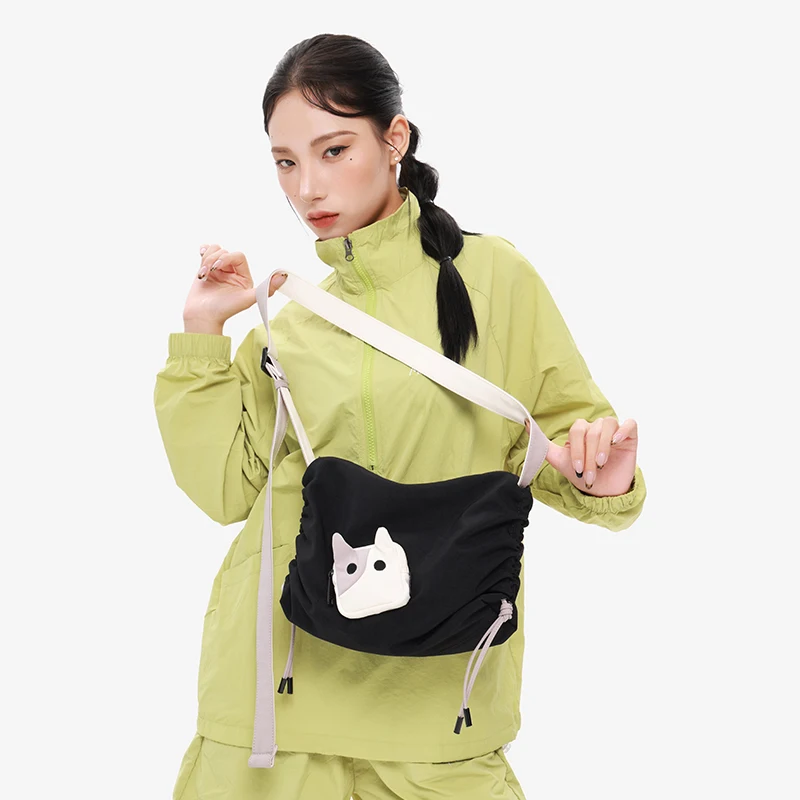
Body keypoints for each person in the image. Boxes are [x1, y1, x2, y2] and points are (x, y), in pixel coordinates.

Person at [154, 32, 647, 800]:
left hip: (442, 711)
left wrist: (601, 478)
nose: (307, 187)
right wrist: (202, 334)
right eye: (285, 162)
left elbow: (569, 448)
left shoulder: (495, 279)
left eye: (334, 150)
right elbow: (223, 493)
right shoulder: (287, 324)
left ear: (395, 139)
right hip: (274, 710)